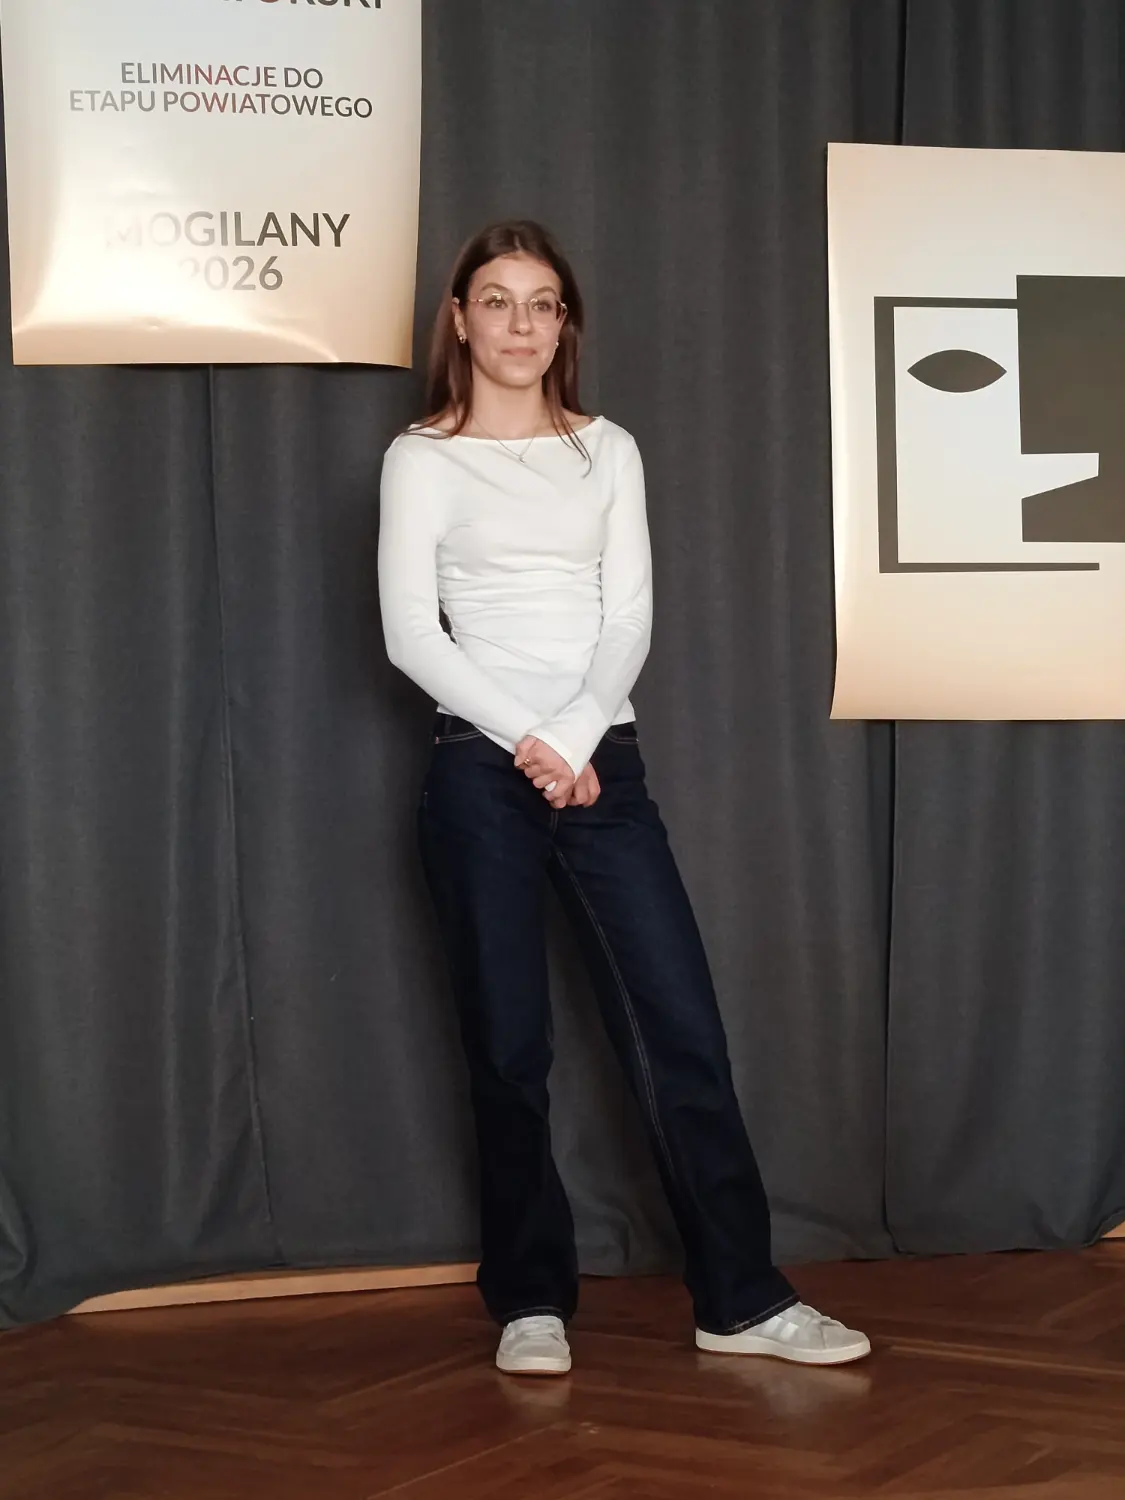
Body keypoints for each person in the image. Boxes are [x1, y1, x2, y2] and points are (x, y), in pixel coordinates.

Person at [378, 220, 870, 1376]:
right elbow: (411, 637)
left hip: (604, 763)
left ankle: (740, 1300)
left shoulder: (609, 450)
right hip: (479, 772)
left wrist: (577, 737)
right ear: (459, 319)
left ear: (566, 325)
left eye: (542, 303)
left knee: (680, 1027)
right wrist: (533, 742)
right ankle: (530, 1301)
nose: (520, 324)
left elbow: (629, 617)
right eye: (497, 301)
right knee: (508, 1045)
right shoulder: (421, 458)